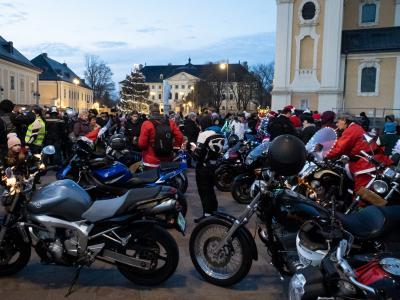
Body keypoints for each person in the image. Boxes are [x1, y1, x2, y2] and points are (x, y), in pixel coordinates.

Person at [326, 113, 392, 194]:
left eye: (337, 121)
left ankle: (362, 207)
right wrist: (324, 146)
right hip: (369, 161)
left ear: (344, 120)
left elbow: (339, 148)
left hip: (366, 164)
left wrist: (324, 155)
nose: (336, 124)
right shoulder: (354, 128)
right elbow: (338, 143)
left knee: (361, 193)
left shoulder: (351, 130)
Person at [191, 129, 225, 223]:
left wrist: (192, 149)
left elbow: (197, 156)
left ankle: (207, 214)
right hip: (214, 167)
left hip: (203, 168)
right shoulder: (218, 136)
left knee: (204, 190)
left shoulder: (203, 136)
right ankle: (213, 210)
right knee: (210, 189)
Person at [138, 103, 183, 169]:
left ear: (150, 112)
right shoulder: (170, 122)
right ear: (159, 111)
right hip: (167, 158)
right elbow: (180, 136)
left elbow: (142, 144)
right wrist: (175, 148)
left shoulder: (146, 124)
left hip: (151, 161)